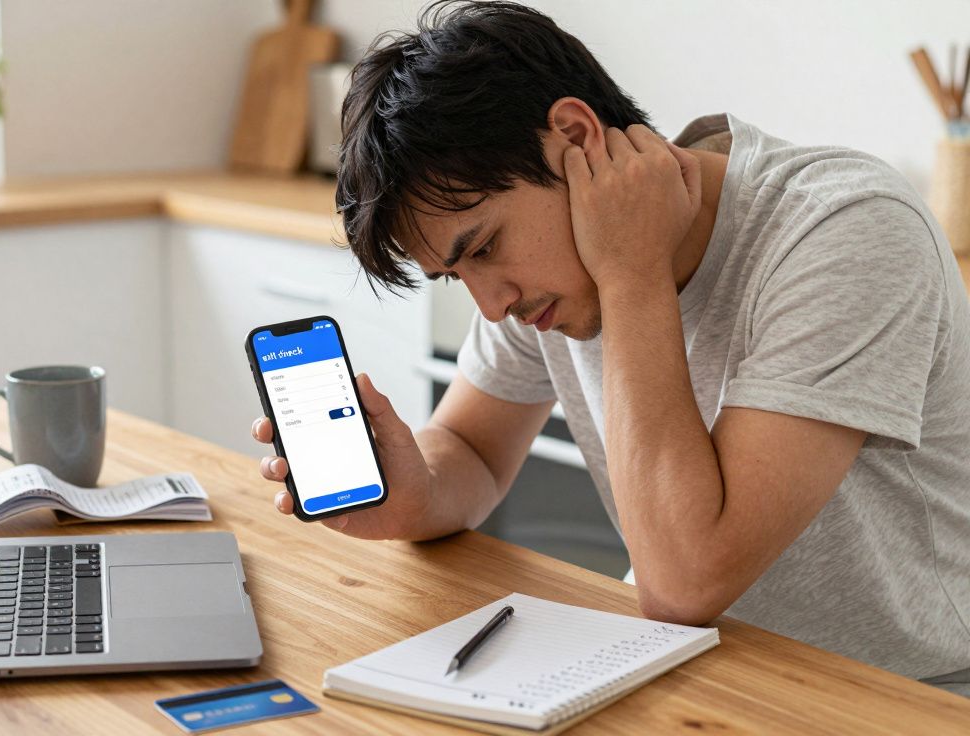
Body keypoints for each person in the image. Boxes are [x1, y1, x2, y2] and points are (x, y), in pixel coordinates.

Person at [250, 0, 970, 697]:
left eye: (485, 248)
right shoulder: (545, 272)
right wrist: (419, 492)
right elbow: (472, 448)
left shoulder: (846, 229)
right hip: (693, 664)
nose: (492, 304)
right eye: (455, 274)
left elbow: (685, 583)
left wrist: (631, 271)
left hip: (909, 692)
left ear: (575, 137)